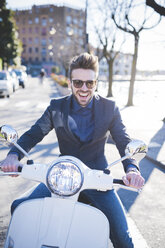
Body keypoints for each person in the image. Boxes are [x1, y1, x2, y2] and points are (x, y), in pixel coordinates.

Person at [0, 53, 145, 248]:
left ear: (96, 83)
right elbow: (34, 134)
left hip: (97, 179)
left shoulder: (110, 108)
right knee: (19, 208)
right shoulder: (56, 107)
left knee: (123, 238)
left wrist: (132, 170)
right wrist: (13, 155)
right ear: (70, 82)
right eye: (78, 83)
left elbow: (123, 140)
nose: (84, 89)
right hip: (61, 177)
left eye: (89, 83)